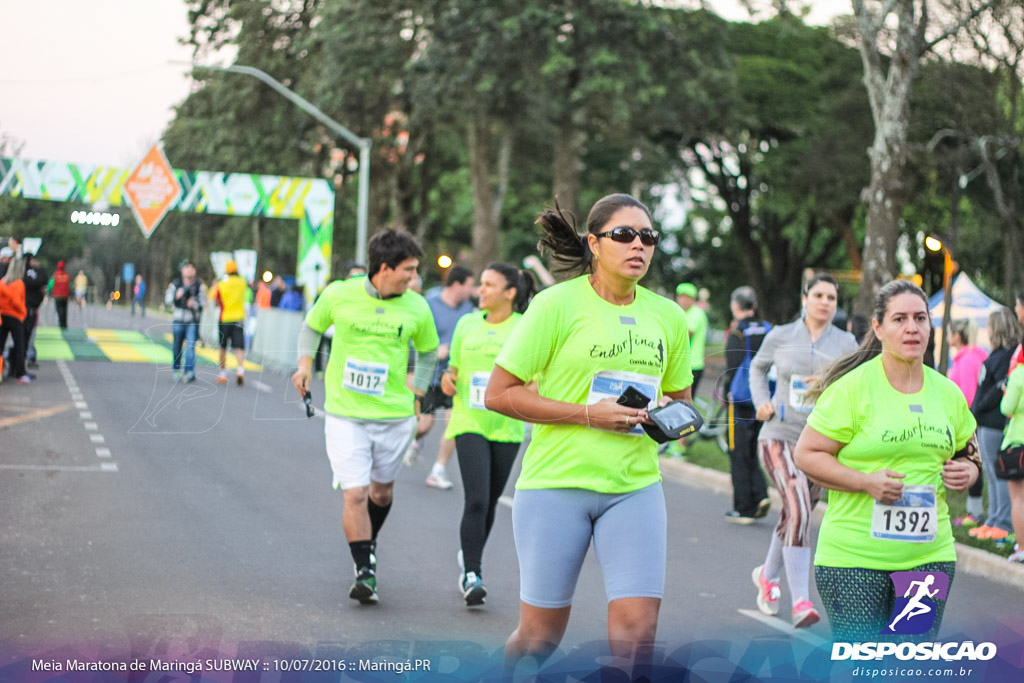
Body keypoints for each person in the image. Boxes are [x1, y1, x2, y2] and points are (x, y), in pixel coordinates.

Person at [486, 194, 692, 673]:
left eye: (648, 237)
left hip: (635, 488)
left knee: (639, 632)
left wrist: (669, 420)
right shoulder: (555, 305)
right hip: (557, 485)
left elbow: (679, 399)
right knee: (539, 638)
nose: (638, 244)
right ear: (595, 244)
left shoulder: (668, 316)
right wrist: (587, 413)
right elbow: (499, 394)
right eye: (624, 235)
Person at [794, 279, 980, 642]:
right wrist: (867, 482)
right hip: (854, 558)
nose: (912, 327)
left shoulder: (947, 393)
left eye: (920, 318)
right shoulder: (852, 389)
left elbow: (969, 453)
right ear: (878, 328)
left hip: (929, 555)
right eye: (899, 319)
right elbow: (807, 454)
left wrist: (968, 472)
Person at [291, 229, 439, 605]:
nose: (413, 277)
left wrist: (419, 394)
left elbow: (427, 352)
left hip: (394, 415)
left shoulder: (417, 307)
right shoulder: (340, 292)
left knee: (381, 491)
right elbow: (312, 326)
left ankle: (366, 543)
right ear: (384, 268)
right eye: (408, 270)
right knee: (355, 494)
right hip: (345, 414)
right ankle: (365, 571)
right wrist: (304, 364)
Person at [748, 274, 857, 628]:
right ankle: (801, 603)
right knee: (798, 508)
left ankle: (766, 574)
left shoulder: (846, 342)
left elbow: (856, 385)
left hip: (820, 445)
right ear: (805, 298)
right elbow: (757, 367)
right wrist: (762, 401)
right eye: (819, 295)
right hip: (778, 434)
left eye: (832, 297)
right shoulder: (781, 335)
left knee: (796, 514)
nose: (825, 302)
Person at [440, 262, 534, 607]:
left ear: (510, 292)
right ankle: (473, 574)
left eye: (489, 285)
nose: (481, 290)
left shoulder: (524, 328)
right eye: (480, 284)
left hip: (507, 425)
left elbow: (535, 378)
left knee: (491, 501)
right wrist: (447, 380)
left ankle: (470, 554)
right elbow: (452, 370)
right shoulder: (466, 324)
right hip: (470, 421)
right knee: (477, 499)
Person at [415, 265, 476, 489]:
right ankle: (412, 441)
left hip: (455, 375)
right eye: (470, 285)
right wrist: (434, 351)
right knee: (424, 424)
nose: (473, 289)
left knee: (454, 424)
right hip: (431, 375)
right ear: (458, 284)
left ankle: (438, 470)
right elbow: (415, 338)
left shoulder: (469, 307)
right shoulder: (429, 304)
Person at [967, 308, 1021, 537]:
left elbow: (999, 388)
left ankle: (1003, 523)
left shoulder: (1006, 358)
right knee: (991, 473)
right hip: (985, 423)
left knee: (1000, 475)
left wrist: (977, 407)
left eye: (989, 326)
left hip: (994, 423)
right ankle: (993, 517)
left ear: (997, 328)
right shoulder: (997, 355)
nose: (987, 331)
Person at [722, 286, 771, 524]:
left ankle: (743, 507)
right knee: (752, 450)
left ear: (735, 306)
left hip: (741, 399)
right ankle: (760, 495)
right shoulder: (769, 329)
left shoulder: (738, 332)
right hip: (764, 401)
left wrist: (725, 392)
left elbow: (731, 366)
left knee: (738, 452)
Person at [945, 319, 988, 527]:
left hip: (968, 421)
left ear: (957, 336)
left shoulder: (969, 359)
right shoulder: (963, 358)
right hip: (965, 419)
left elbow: (969, 395)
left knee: (973, 464)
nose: (947, 336)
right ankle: (974, 512)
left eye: (949, 332)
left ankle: (975, 513)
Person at [664, 282, 708, 458]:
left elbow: (684, 335)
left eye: (686, 296)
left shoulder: (696, 314)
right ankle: (674, 441)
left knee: (684, 405)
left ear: (693, 299)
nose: (682, 299)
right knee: (674, 403)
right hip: (682, 365)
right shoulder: (682, 313)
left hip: (693, 365)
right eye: (680, 295)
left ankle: (680, 445)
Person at [999, 349, 1024, 564]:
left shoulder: (1018, 374)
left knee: (1018, 499)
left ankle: (1022, 548)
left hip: (1018, 441)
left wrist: (1007, 390)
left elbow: (1006, 408)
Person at [208, 259, 249, 386]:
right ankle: (240, 370)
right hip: (239, 318)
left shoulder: (221, 284)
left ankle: (222, 374)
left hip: (225, 318)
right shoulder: (242, 282)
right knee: (239, 347)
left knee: (223, 347)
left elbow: (213, 298)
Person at [165, 260, 205, 383]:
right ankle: (177, 369)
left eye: (192, 267)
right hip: (178, 320)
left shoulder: (199, 286)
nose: (190, 270)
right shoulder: (176, 284)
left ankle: (189, 371)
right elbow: (167, 300)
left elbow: (203, 303)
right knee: (177, 346)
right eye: (187, 267)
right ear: (182, 270)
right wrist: (176, 296)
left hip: (191, 321)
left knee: (190, 346)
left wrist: (194, 304)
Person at [0, 247, 32, 383]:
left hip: (2, 316)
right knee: (20, 345)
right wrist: (23, 312)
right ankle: (19, 372)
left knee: (0, 345)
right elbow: (18, 302)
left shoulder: (2, 282)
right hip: (15, 317)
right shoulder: (19, 284)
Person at [22, 253, 47, 368]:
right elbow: (36, 282)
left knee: (30, 333)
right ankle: (20, 358)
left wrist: (38, 268)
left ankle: (29, 356)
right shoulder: (22, 272)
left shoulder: (37, 271)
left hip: (33, 307)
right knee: (22, 334)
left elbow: (44, 280)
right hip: (23, 308)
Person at [50, 261, 71, 329]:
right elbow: (70, 285)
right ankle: (64, 324)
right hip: (65, 296)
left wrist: (49, 291)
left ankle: (61, 323)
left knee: (59, 310)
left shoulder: (55, 275)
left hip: (57, 296)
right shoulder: (67, 275)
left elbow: (50, 285)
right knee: (64, 310)